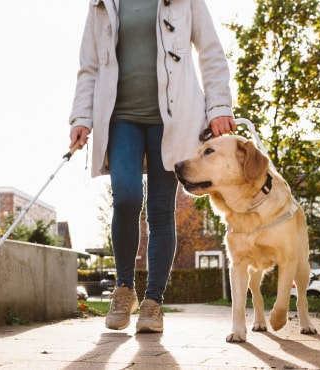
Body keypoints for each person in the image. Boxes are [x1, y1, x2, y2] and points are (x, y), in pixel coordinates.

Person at [68, 0, 235, 333]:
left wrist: (218, 105)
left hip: (174, 117)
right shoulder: (102, 2)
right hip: (120, 117)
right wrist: (82, 116)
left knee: (161, 209)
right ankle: (124, 288)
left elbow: (211, 51)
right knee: (126, 197)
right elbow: (89, 66)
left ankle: (153, 303)